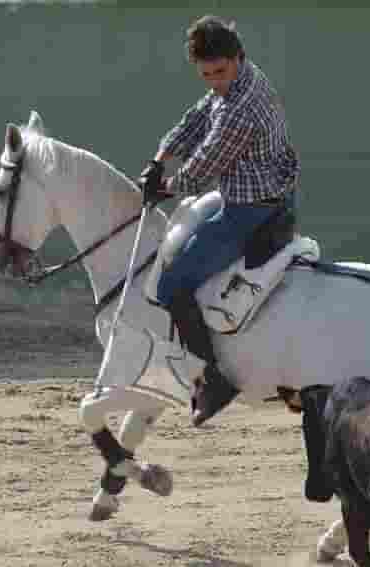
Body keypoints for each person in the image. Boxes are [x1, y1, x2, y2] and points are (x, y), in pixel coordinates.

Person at [137, 15, 301, 425]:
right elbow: (196, 119)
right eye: (206, 75)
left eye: (220, 72)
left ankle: (217, 378)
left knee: (173, 284)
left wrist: (163, 186)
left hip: (249, 208)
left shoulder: (241, 109)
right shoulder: (239, 80)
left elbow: (204, 165)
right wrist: (159, 159)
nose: (214, 81)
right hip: (265, 190)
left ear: (237, 58)